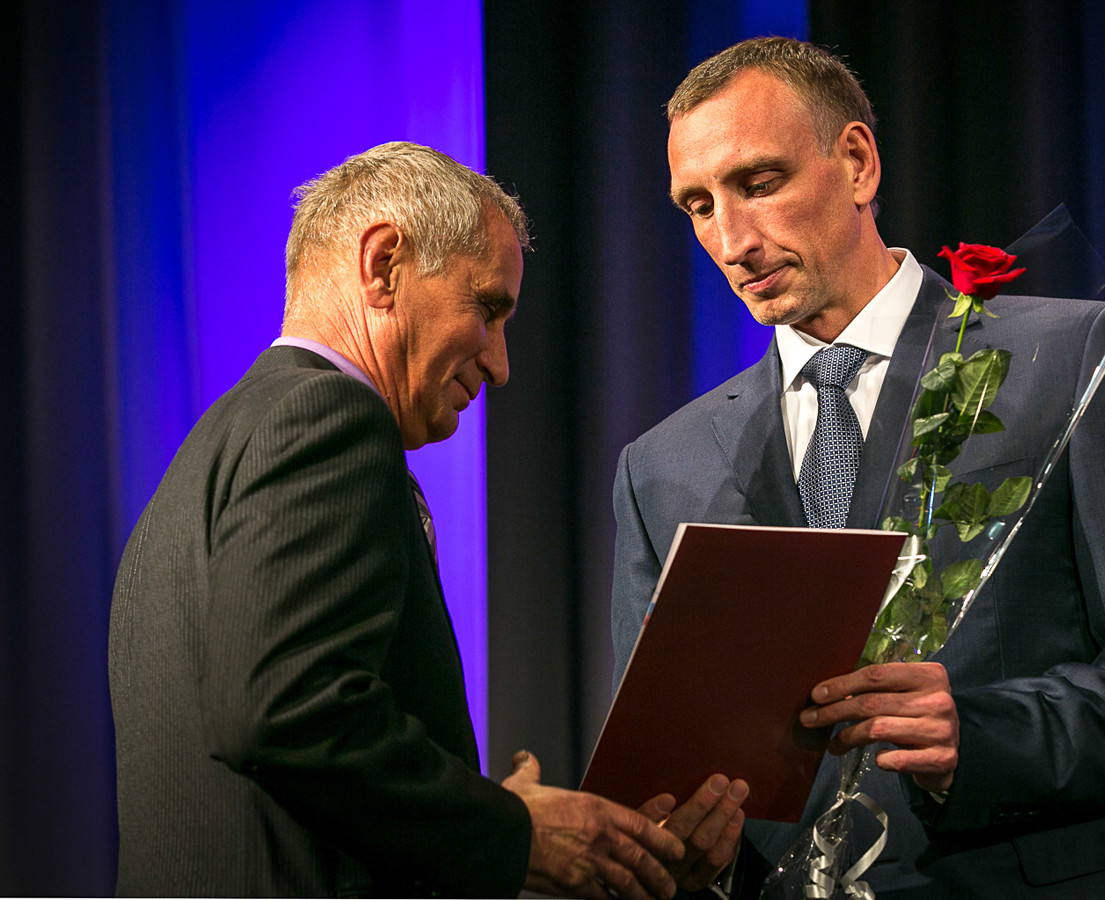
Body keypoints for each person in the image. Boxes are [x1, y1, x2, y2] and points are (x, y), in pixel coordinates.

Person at [610, 38, 1105, 898]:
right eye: (698, 206)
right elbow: (663, 772)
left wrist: (980, 736)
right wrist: (688, 849)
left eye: (759, 183)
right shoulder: (661, 465)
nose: (730, 240)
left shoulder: (1073, 360)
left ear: (857, 162)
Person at [110, 141, 701, 899]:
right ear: (384, 264)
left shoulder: (216, 446)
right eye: (487, 309)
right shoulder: (328, 418)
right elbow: (283, 707)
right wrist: (510, 832)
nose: (500, 365)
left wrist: (476, 815)